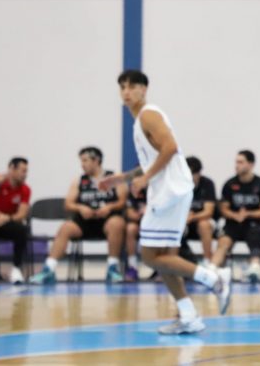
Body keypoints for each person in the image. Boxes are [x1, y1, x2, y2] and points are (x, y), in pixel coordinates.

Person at [97, 70, 231, 334]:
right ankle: (189, 316)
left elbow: (170, 147)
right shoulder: (141, 121)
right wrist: (123, 178)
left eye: (132, 86)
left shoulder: (149, 114)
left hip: (169, 192)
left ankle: (214, 278)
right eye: (122, 87)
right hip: (172, 191)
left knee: (150, 256)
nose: (126, 91)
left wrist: (145, 179)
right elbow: (154, 158)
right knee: (165, 258)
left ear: (144, 89)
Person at [29, 147, 127, 284]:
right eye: (81, 161)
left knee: (117, 223)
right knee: (65, 227)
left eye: (85, 160)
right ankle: (48, 269)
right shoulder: (79, 180)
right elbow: (68, 204)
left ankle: (113, 269)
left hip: (107, 222)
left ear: (96, 160)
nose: (82, 164)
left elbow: (123, 201)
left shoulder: (113, 177)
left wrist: (109, 207)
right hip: (84, 222)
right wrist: (80, 208)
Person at [210, 150, 260, 282]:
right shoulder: (230, 184)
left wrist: (248, 214)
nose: (236, 165)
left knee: (255, 236)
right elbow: (223, 208)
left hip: (253, 224)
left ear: (251, 164)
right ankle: (212, 269)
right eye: (236, 162)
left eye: (241, 162)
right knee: (223, 241)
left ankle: (255, 267)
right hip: (233, 223)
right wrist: (234, 215)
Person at [181, 156, 217, 266]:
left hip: (201, 220)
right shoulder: (178, 184)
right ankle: (174, 261)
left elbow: (208, 211)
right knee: (174, 226)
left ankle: (207, 261)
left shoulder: (207, 184)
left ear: (199, 173)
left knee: (204, 225)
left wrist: (193, 217)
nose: (189, 177)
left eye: (192, 174)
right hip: (183, 221)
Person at [124, 180, 147, 281]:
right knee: (130, 229)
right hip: (138, 224)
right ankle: (132, 266)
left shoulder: (154, 191)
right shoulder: (131, 194)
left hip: (153, 224)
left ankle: (160, 269)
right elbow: (131, 214)